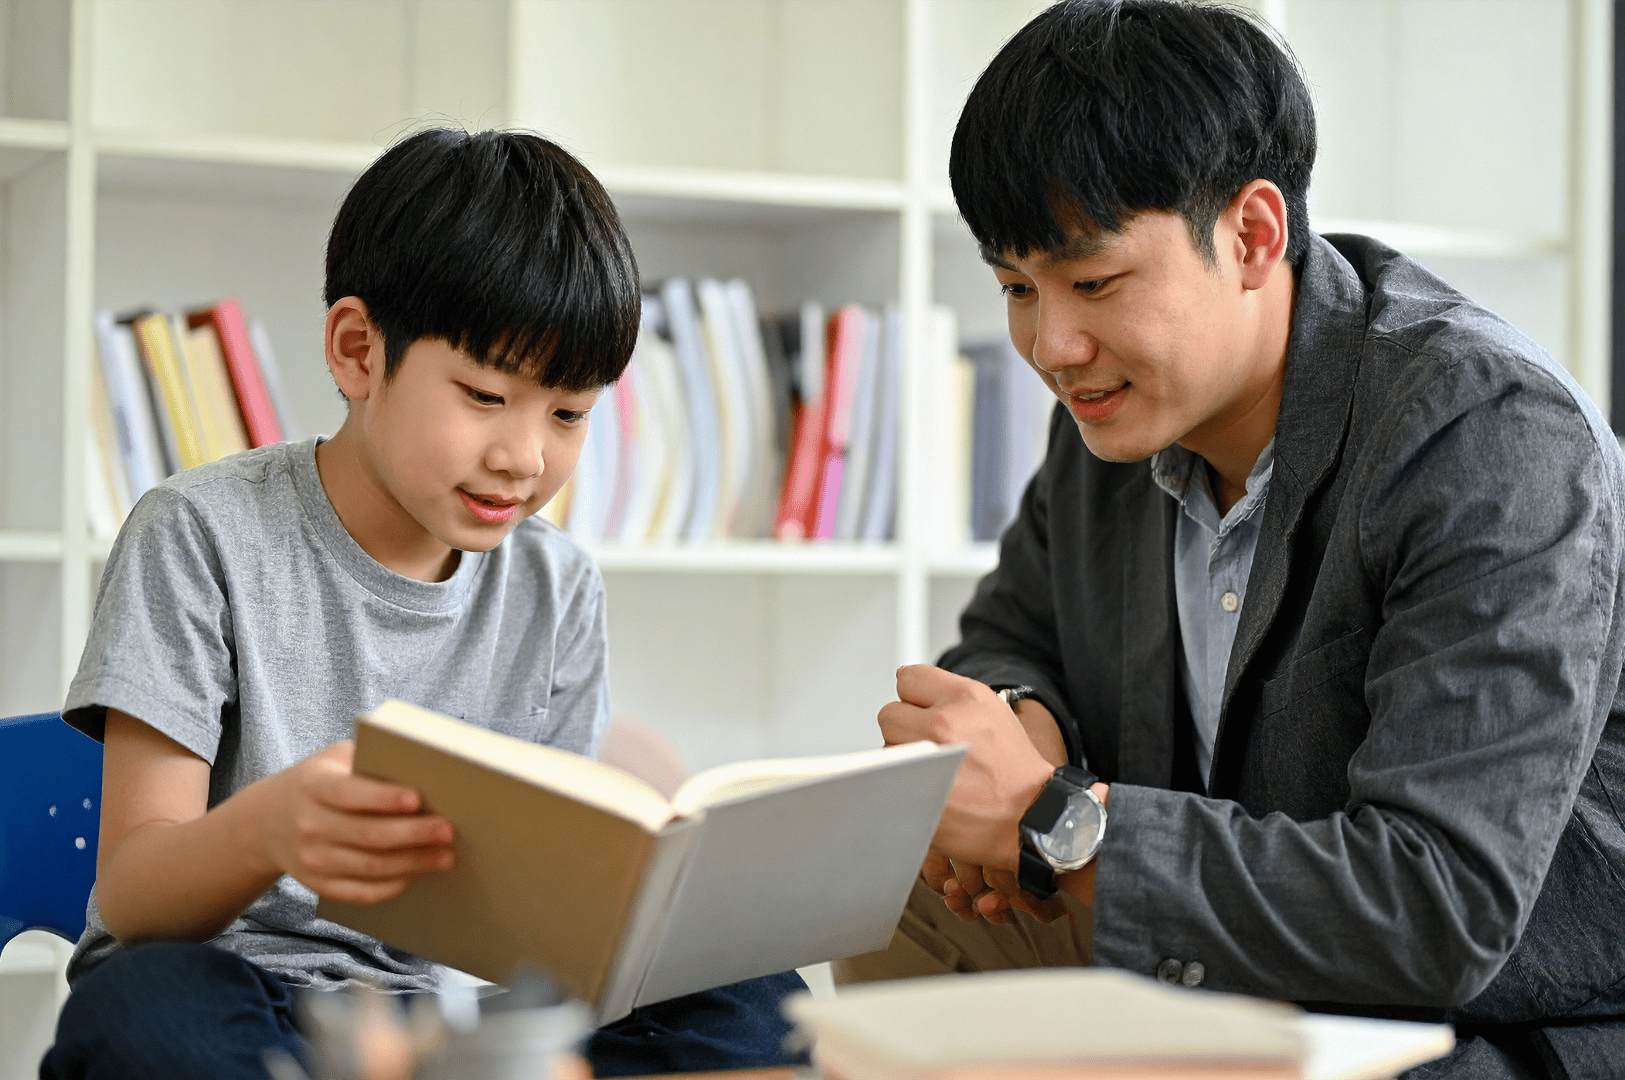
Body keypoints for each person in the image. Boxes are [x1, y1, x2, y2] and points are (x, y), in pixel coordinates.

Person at [848, 3, 1625, 1077]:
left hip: (1482, 1035)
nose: (1049, 345)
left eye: (1093, 282)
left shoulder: (1484, 435)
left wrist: (1052, 822)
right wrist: (1018, 721)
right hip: (1219, 990)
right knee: (875, 951)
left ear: (1253, 234)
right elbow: (1008, 633)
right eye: (1015, 289)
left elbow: (1436, 903)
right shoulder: (1111, 416)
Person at [41, 127, 805, 1080]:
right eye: (485, 396)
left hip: (472, 1012)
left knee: (759, 1000)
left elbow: (546, 918)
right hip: (255, 993)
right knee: (145, 1010)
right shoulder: (197, 533)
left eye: (566, 413)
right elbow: (135, 893)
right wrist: (270, 827)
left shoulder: (555, 584)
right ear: (359, 352)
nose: (524, 457)